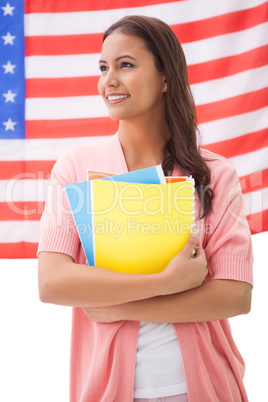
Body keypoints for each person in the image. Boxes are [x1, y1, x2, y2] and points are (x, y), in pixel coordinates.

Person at [38, 15, 253, 402]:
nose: (109, 80)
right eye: (103, 68)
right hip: (108, 389)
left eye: (126, 65)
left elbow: (235, 295)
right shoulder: (75, 168)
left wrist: (115, 304)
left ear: (166, 76)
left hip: (203, 387)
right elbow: (53, 282)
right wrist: (165, 283)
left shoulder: (216, 175)